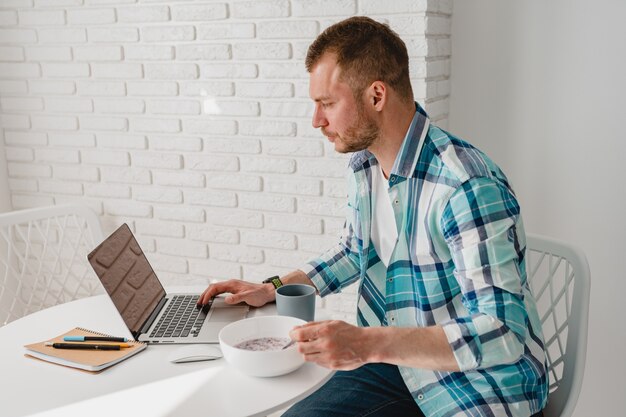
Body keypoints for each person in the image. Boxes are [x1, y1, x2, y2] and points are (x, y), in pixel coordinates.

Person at [198, 16, 547, 417]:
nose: (317, 120)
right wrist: (272, 287)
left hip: (477, 386)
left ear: (376, 95)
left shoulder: (465, 186)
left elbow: (502, 332)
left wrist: (366, 343)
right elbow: (353, 251)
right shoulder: (365, 166)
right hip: (397, 367)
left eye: (327, 103)